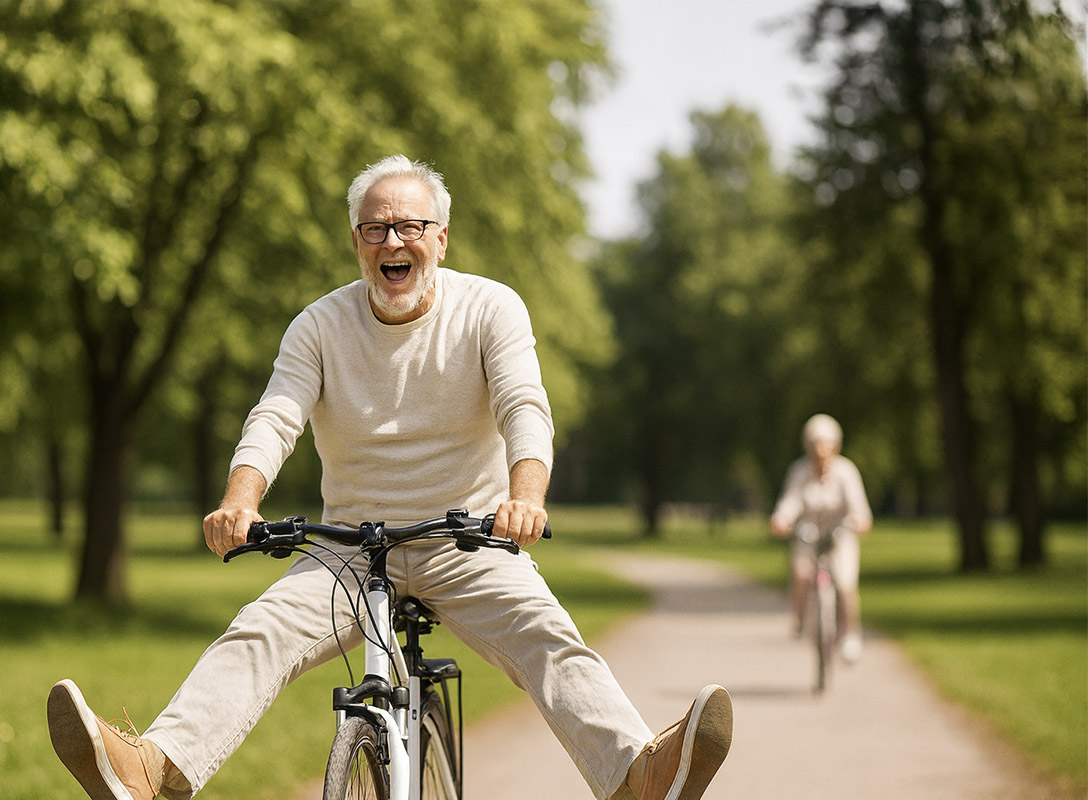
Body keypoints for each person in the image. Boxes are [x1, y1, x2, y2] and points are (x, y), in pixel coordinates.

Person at [46, 155, 732, 800]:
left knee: (544, 633)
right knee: (259, 632)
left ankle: (638, 775)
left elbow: (525, 404)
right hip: (347, 549)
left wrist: (524, 498)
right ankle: (150, 770)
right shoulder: (319, 326)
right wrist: (238, 501)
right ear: (357, 243)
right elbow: (275, 418)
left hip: (466, 540)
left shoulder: (491, 308)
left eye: (410, 225)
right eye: (376, 228)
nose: (392, 239)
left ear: (441, 239)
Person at [769, 413, 873, 663]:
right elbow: (790, 502)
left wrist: (859, 521)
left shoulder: (846, 472)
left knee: (846, 583)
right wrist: (781, 520)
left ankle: (850, 635)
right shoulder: (800, 471)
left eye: (825, 444)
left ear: (835, 445)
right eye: (815, 444)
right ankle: (800, 618)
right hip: (809, 534)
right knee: (801, 573)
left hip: (840, 535)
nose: (820, 450)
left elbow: (859, 508)